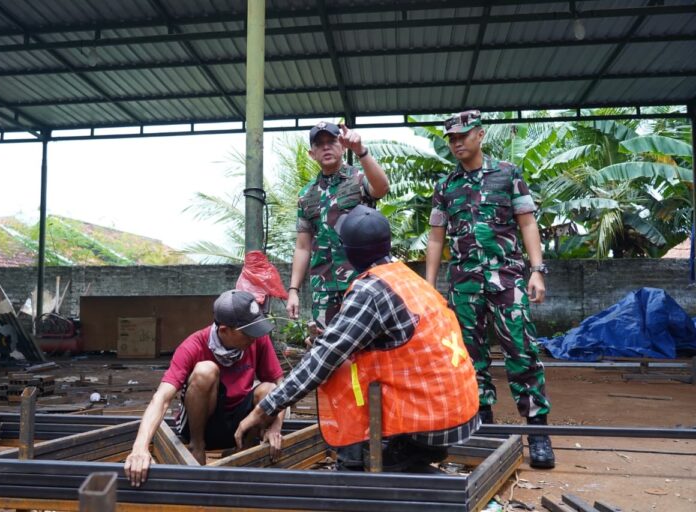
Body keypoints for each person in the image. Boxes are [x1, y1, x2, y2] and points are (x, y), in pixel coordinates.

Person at [236, 205, 480, 472]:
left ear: (349, 251)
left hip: (429, 422)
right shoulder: (407, 277)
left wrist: (265, 409)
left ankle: (361, 464)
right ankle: (386, 458)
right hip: (459, 410)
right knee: (348, 360)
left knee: (339, 369)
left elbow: (322, 359)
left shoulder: (370, 289)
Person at [424, 109, 555, 469]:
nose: (457, 143)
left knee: (522, 352)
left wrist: (537, 271)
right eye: (452, 138)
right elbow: (435, 238)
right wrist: (430, 286)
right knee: (469, 358)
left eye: (463, 136)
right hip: (464, 285)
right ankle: (484, 430)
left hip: (507, 280)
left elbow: (527, 223)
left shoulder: (508, 174)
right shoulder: (446, 186)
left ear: (480, 135)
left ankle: (538, 433)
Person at [124, 290, 285, 486]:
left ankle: (245, 449)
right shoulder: (193, 346)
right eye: (247, 332)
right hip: (203, 423)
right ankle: (197, 446)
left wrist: (275, 428)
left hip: (241, 424)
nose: (254, 337)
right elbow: (161, 398)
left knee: (269, 390)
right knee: (205, 371)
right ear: (224, 330)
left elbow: (280, 385)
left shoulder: (257, 339)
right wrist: (140, 447)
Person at [286, 121, 389, 329]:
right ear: (312, 154)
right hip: (324, 288)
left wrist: (361, 151)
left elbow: (381, 188)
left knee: (368, 340)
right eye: (319, 144)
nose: (326, 147)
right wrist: (293, 290)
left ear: (342, 146)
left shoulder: (359, 179)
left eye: (332, 141)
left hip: (362, 281)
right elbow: (303, 246)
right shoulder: (306, 195)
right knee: (326, 341)